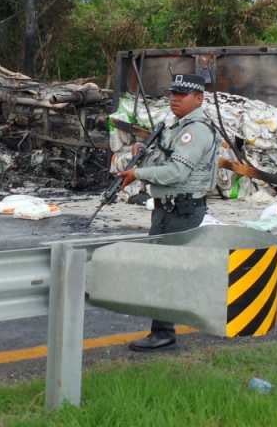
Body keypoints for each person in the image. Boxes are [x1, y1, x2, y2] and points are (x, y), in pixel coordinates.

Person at [114, 73, 220, 352]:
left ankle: (163, 332)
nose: (174, 99)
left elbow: (177, 171)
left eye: (181, 95)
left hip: (182, 210)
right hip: (166, 209)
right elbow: (165, 159)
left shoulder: (195, 130)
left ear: (198, 98)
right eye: (172, 94)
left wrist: (138, 172)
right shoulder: (174, 126)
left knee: (165, 272)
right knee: (164, 269)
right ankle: (168, 327)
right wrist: (143, 154)